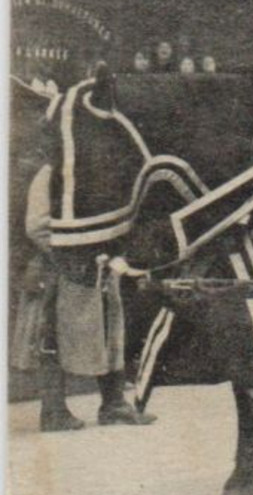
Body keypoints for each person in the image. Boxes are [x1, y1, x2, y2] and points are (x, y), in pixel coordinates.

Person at [12, 163, 156, 429]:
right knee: (51, 335)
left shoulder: (95, 173)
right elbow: (36, 226)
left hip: (99, 266)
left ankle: (114, 405)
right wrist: (74, 252)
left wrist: (111, 251)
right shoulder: (49, 174)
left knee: (110, 330)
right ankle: (53, 412)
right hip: (58, 268)